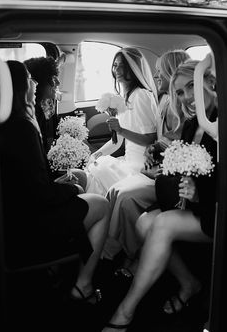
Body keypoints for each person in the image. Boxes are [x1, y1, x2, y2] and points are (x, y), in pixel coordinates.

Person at [101, 59, 217, 331]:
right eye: (179, 92)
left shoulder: (218, 126)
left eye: (191, 86)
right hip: (193, 205)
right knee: (143, 222)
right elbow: (188, 166)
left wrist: (200, 194)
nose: (187, 97)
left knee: (162, 224)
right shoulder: (191, 126)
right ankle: (189, 282)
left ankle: (124, 313)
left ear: (210, 82)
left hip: (213, 210)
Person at [0, 60, 111, 303]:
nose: (34, 83)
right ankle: (84, 284)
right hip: (29, 228)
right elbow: (40, 195)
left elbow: (27, 183)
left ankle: (61, 268)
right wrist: (71, 190)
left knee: (77, 185)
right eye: (29, 79)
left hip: (11, 219)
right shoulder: (22, 129)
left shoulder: (4, 125)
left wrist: (61, 186)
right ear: (18, 88)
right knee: (101, 204)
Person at [102, 50, 190, 274]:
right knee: (114, 191)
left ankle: (122, 254)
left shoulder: (183, 108)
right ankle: (116, 249)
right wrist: (155, 148)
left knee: (124, 196)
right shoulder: (164, 101)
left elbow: (177, 145)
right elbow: (162, 139)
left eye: (160, 71)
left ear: (175, 74)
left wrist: (157, 147)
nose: (156, 74)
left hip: (169, 175)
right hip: (158, 168)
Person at [85, 47, 159, 197]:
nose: (117, 70)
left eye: (122, 66)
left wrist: (121, 130)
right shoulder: (124, 98)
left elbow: (150, 139)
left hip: (140, 167)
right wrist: (96, 155)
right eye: (115, 65)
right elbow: (117, 141)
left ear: (133, 70)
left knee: (96, 176)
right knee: (94, 166)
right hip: (127, 161)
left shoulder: (141, 96)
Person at [25, 56, 87, 190]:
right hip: (37, 189)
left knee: (81, 175)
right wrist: (54, 185)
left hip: (43, 181)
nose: (58, 83)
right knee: (79, 184)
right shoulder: (32, 117)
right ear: (40, 82)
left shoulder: (41, 108)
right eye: (53, 78)